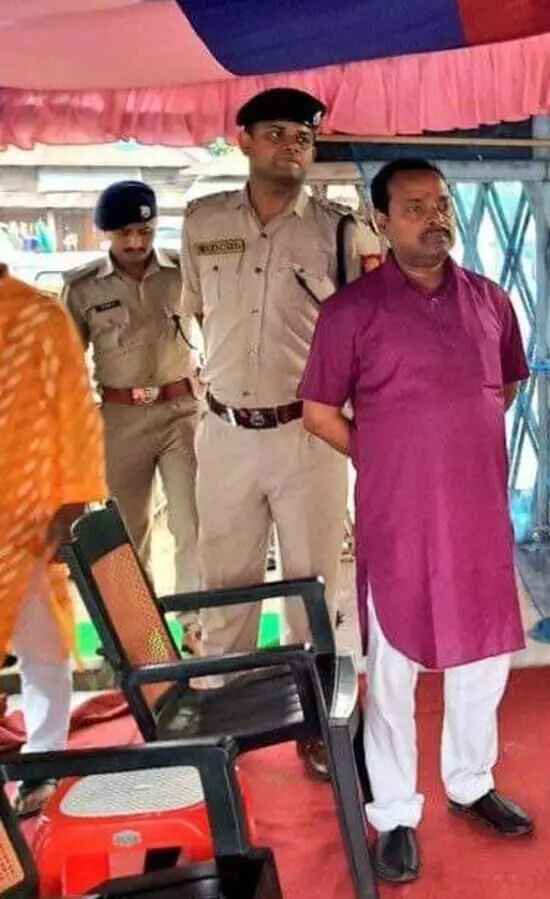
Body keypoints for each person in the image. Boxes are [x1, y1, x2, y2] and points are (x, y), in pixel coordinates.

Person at [299, 158, 534, 883]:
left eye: (441, 204)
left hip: (477, 515)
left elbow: (507, 385)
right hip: (397, 517)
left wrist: (450, 447)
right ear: (380, 220)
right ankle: (395, 812)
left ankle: (470, 780)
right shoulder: (351, 312)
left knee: (481, 660)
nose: (434, 218)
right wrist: (391, 455)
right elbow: (316, 413)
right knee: (394, 668)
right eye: (413, 207)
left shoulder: (491, 300)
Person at [179, 87, 383, 778]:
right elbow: (192, 313)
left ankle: (317, 726)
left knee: (314, 587)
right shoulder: (202, 221)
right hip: (227, 434)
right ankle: (223, 720)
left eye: (301, 136)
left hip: (308, 435)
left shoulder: (338, 230)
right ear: (243, 141)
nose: (289, 146)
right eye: (274, 133)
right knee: (225, 582)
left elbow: (364, 333)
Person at [62, 181, 203, 651]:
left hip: (182, 410)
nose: (137, 242)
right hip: (120, 418)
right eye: (125, 234)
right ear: (104, 232)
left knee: (192, 521)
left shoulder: (183, 273)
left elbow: (216, 326)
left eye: (145, 230)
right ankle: (135, 635)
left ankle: (195, 625)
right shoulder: (83, 287)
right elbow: (66, 359)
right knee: (126, 530)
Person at [0, 261, 109, 815]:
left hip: (27, 513)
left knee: (41, 646)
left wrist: (71, 502)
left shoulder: (41, 316)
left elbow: (75, 412)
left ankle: (43, 761)